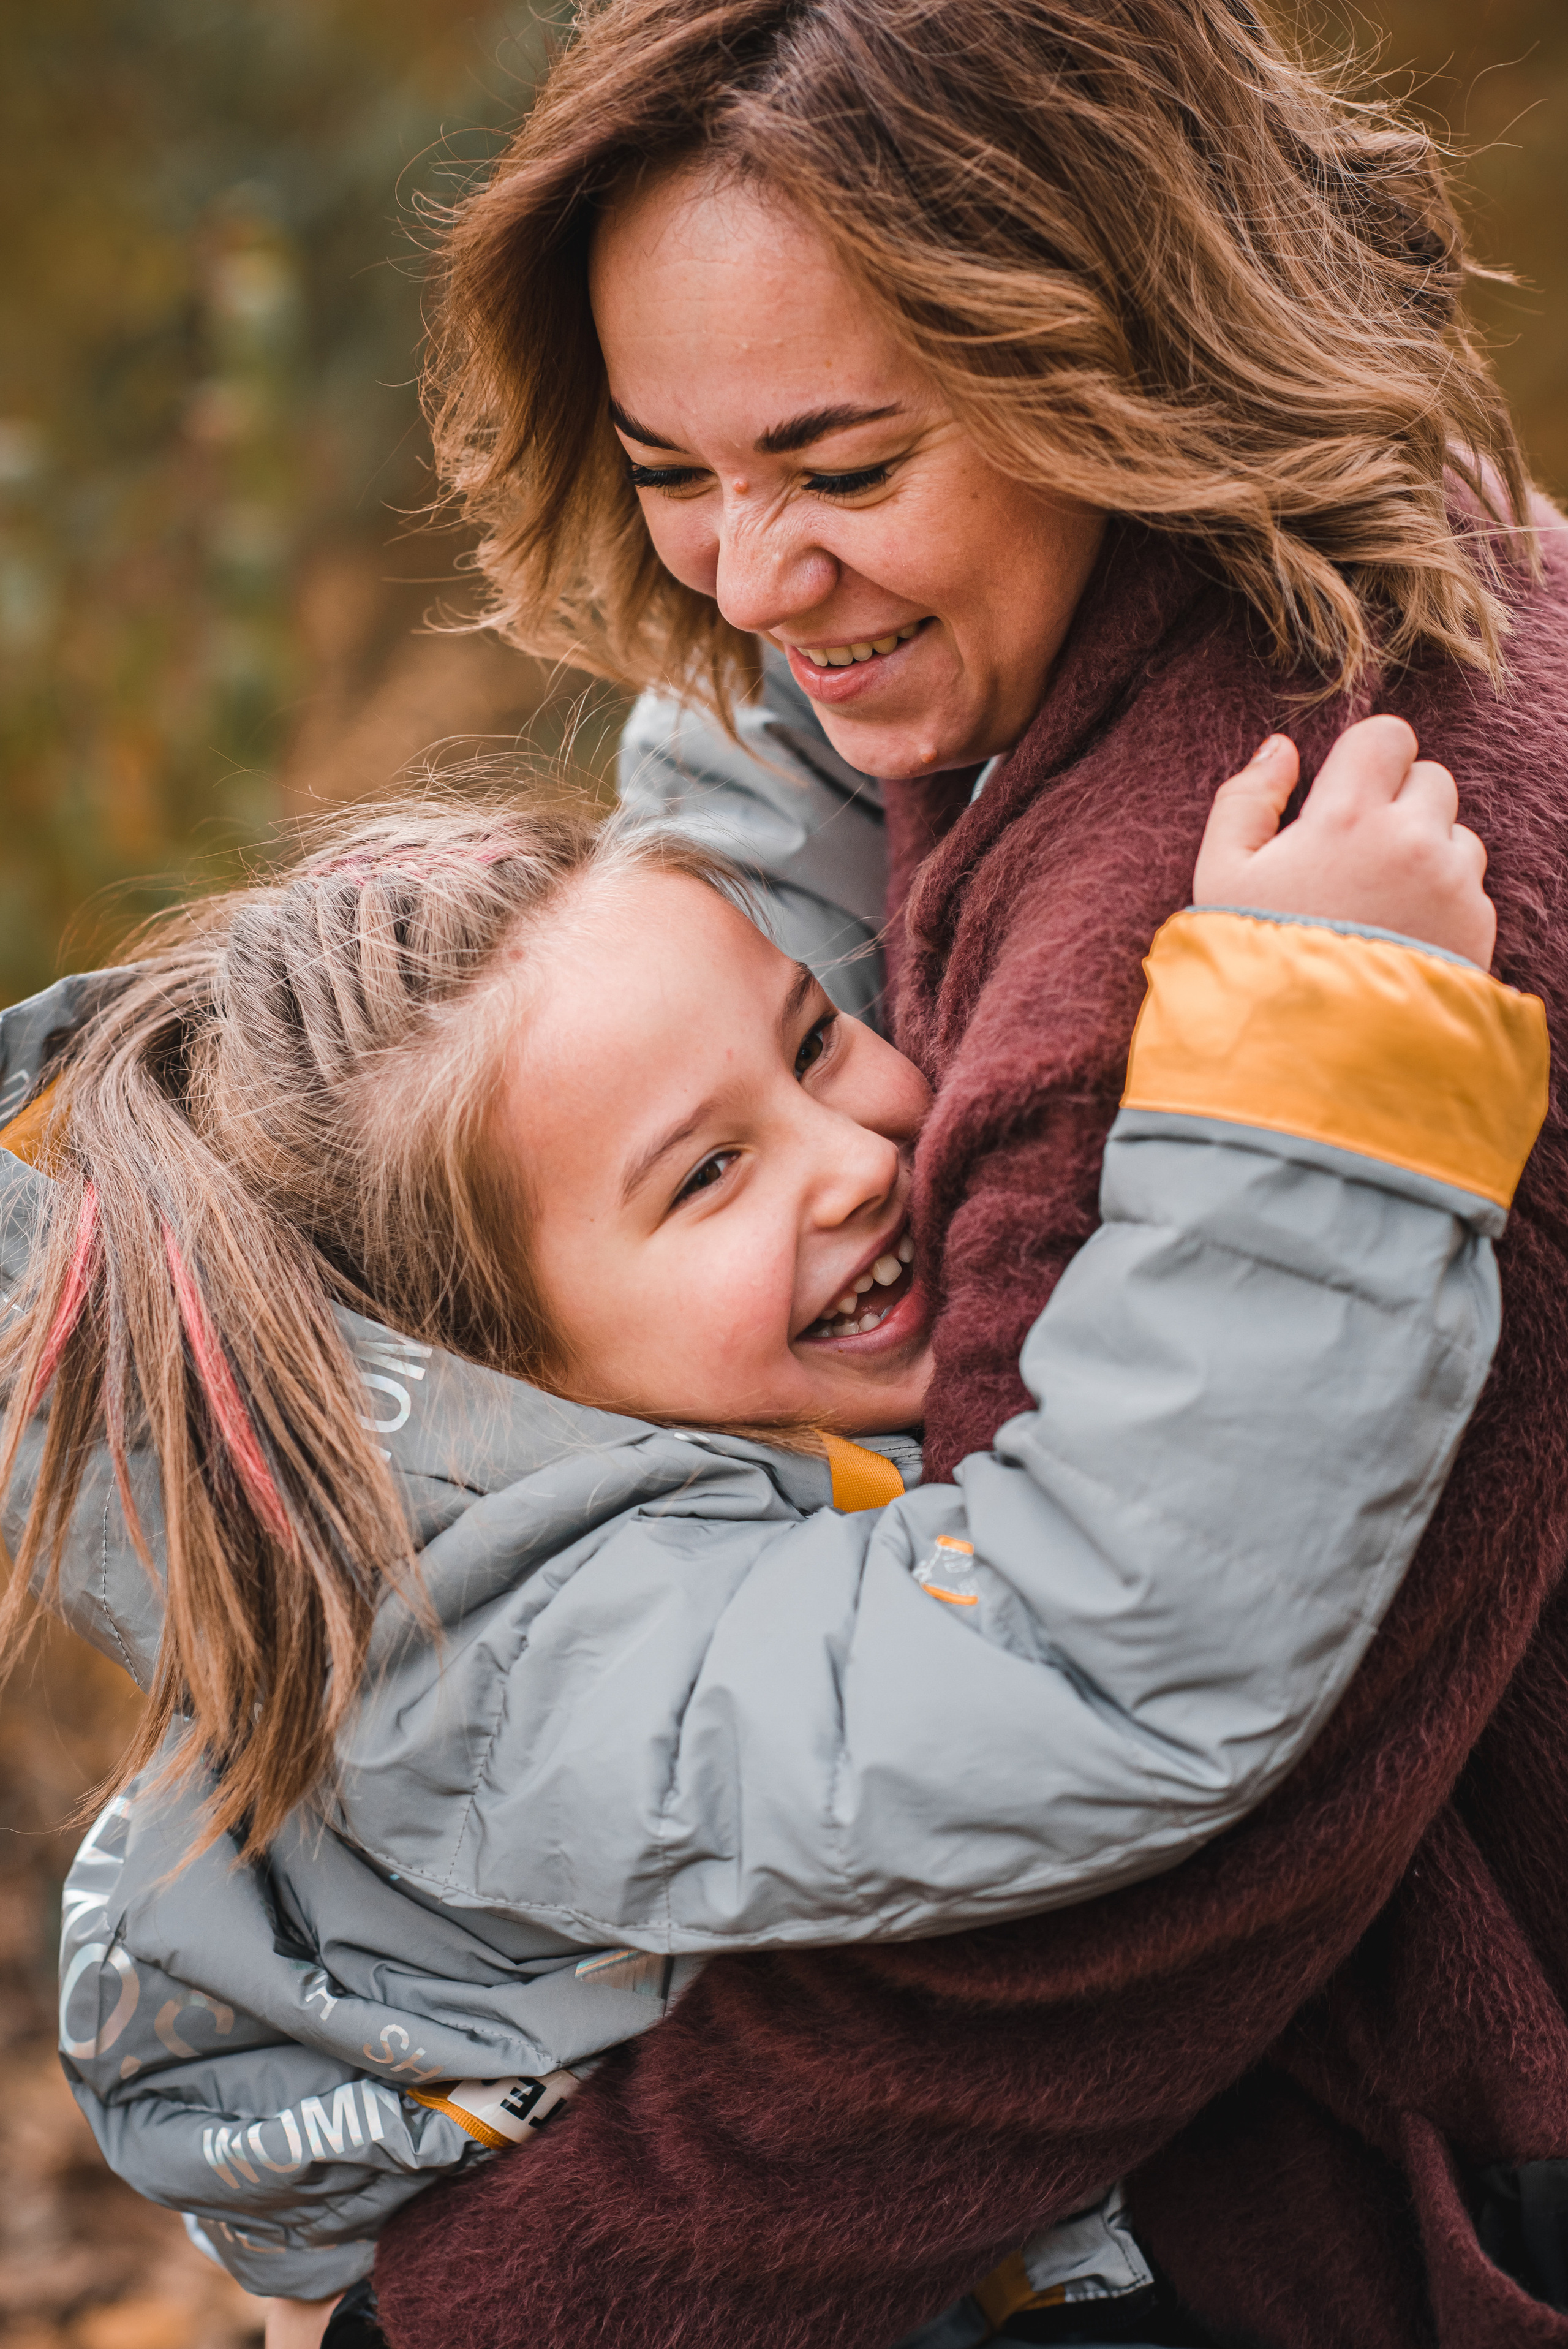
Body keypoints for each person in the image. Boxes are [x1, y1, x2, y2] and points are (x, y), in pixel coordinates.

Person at [364, 4, 1568, 2347]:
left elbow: (1100, 1907)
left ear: (1107, 346)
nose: (745, 572)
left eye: (838, 461)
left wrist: (500, 2300)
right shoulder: (1335, 528)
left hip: (1372, 2182)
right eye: (668, 467)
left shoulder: (1204, 931)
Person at [7, 725, 1535, 2349]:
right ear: (497, 1379)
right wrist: (1327, 1054)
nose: (858, 1156)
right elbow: (1082, 1659)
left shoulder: (659, 1366)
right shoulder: (545, 1665)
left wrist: (840, 629)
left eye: (815, 1042)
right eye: (710, 1174)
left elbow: (775, 821)